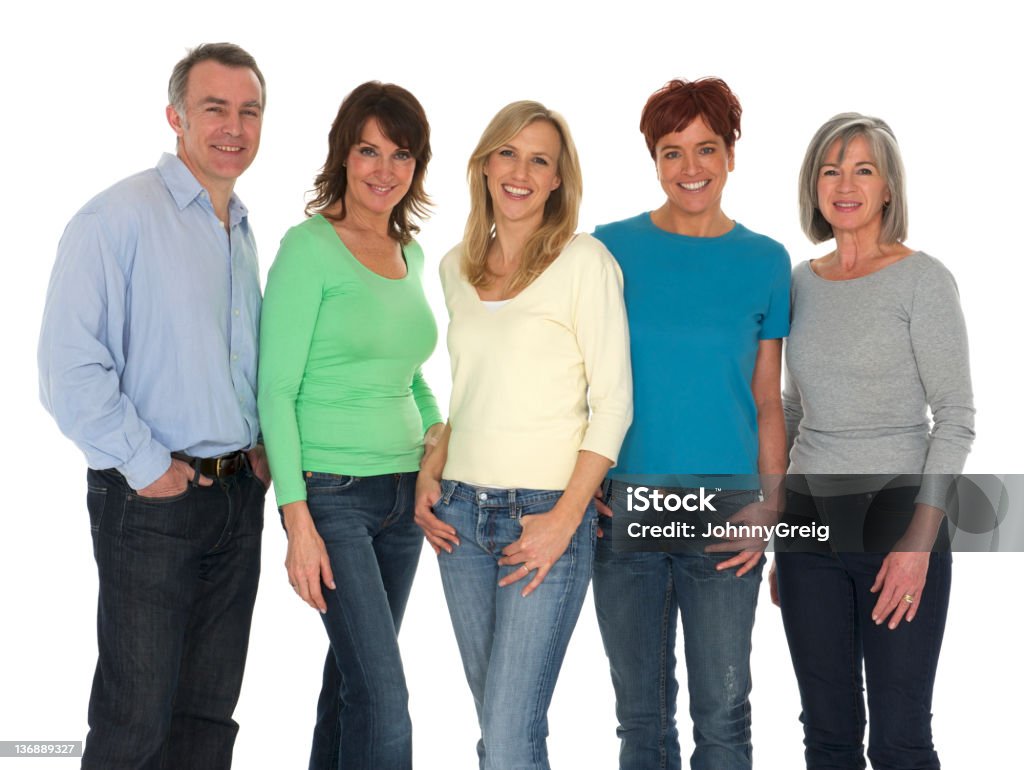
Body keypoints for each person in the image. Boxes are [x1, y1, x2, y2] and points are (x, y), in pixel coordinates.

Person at [37, 43, 269, 769]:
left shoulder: (240, 228)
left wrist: (257, 444)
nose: (234, 126)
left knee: (207, 719)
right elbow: (67, 367)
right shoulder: (116, 217)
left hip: (236, 500)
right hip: (152, 504)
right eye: (215, 109)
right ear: (175, 116)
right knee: (135, 724)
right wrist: (147, 468)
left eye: (250, 111)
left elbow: (233, 358)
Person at [414, 101, 632, 770]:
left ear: (559, 180)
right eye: (508, 153)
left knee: (509, 737)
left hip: (544, 516)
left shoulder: (585, 261)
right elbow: (473, 392)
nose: (521, 171)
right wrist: (432, 462)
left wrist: (566, 519)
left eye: (541, 159)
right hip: (458, 518)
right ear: (483, 167)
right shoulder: (455, 267)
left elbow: (613, 405)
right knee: (496, 728)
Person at [590, 78, 791, 770]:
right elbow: (579, 379)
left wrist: (770, 505)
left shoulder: (766, 262)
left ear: (732, 154)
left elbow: (769, 399)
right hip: (626, 511)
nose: (691, 168)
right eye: (672, 152)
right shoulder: (607, 249)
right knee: (641, 721)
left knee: (724, 721)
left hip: (726, 516)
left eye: (707, 148)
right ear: (653, 159)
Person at [770, 113, 975, 770]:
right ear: (814, 185)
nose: (845, 183)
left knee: (900, 737)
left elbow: (956, 416)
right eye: (831, 169)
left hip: (897, 521)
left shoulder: (922, 279)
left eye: (864, 168)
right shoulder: (800, 282)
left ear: (888, 188)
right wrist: (785, 536)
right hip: (808, 527)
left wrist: (918, 544)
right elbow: (795, 409)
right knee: (827, 735)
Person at [257, 82, 443, 770]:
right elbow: (276, 389)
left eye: (401, 154)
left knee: (352, 685)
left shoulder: (409, 252)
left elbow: (411, 374)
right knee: (384, 698)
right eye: (368, 150)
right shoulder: (309, 248)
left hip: (404, 500)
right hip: (331, 494)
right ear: (343, 154)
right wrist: (296, 520)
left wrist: (437, 433)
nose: (383, 170)